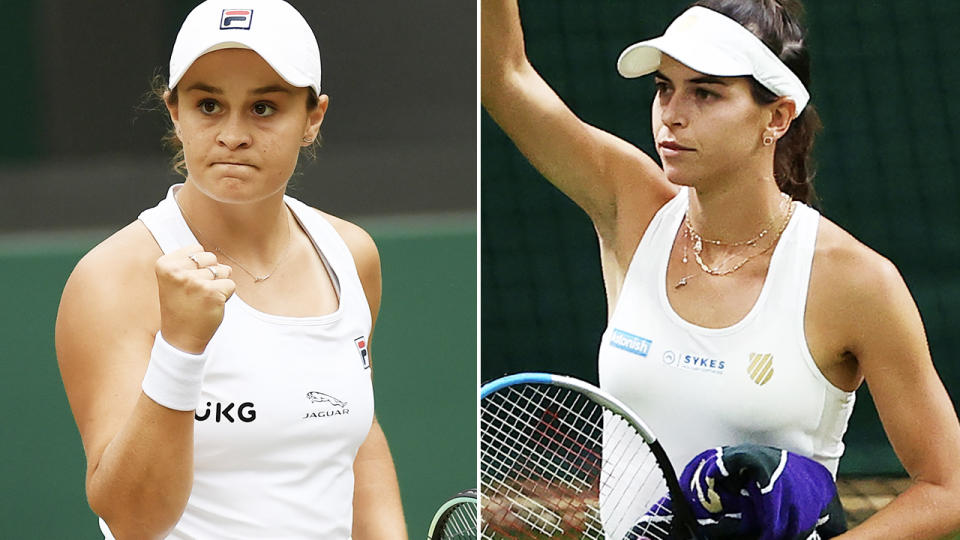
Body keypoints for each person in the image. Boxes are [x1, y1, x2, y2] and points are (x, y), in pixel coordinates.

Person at [482, 0, 960, 537]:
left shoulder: (856, 281)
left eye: (705, 92)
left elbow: (947, 486)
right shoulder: (632, 207)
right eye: (664, 87)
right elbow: (503, 76)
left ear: (776, 117)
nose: (672, 113)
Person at [55, 0, 406, 538]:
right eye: (209, 105)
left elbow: (357, 443)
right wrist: (181, 347)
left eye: (264, 108)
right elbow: (131, 519)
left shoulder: (351, 254)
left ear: (313, 118)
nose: (233, 134)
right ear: (175, 112)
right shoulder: (110, 278)